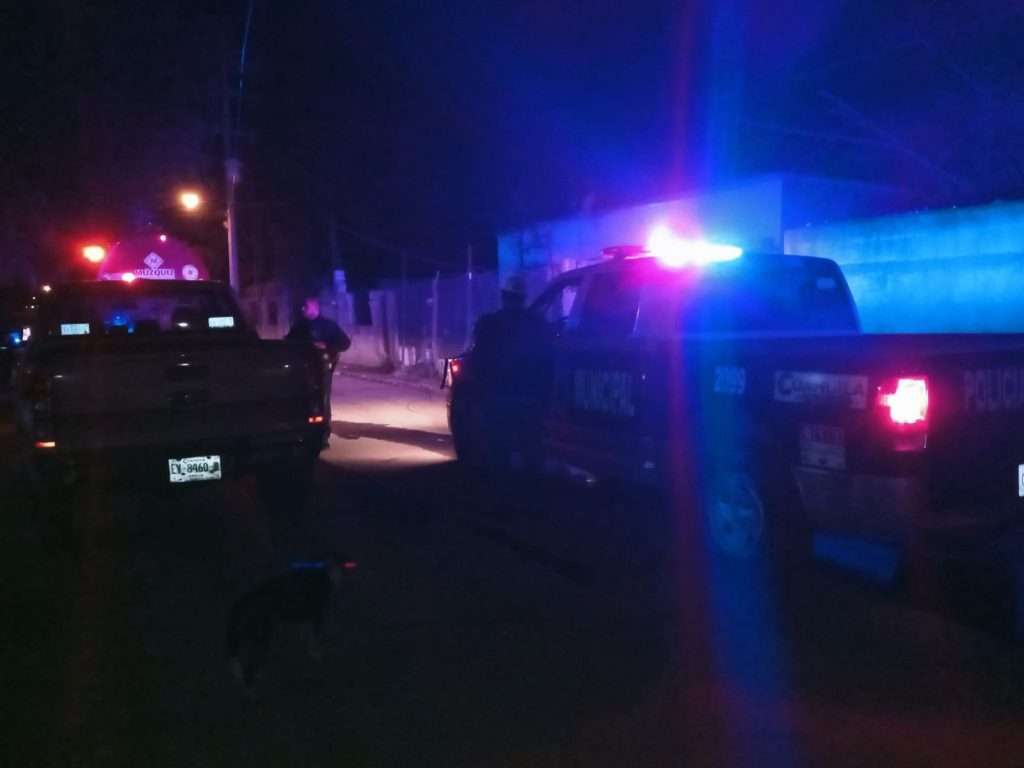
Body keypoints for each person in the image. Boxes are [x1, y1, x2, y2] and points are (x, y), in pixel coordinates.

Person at [470, 274, 552, 468]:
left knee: (499, 453)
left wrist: (483, 393)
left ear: (504, 296)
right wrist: (544, 397)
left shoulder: (489, 324)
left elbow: (478, 362)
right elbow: (548, 363)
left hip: (498, 400)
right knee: (531, 453)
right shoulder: (538, 325)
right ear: (523, 298)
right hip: (529, 400)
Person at [287, 297, 351, 443]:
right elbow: (288, 341)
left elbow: (345, 343)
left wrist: (326, 346)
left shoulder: (328, 325)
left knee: (323, 400)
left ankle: (323, 434)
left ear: (315, 308)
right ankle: (304, 431)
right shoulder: (300, 326)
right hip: (302, 369)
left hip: (322, 369)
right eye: (303, 307)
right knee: (303, 400)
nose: (303, 309)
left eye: (306, 307)